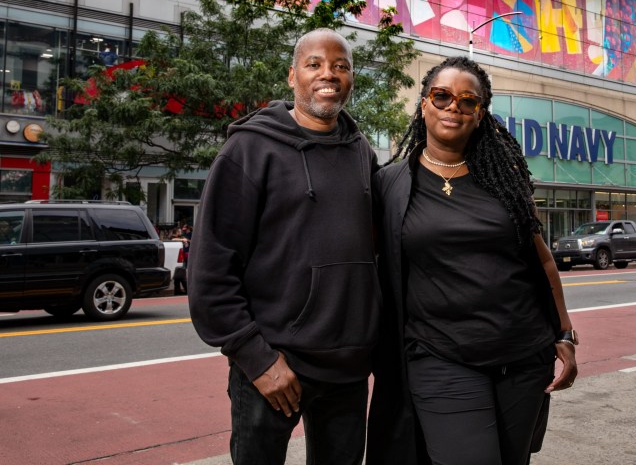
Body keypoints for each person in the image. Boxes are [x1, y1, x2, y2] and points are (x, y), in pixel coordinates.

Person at [367, 56, 578, 465]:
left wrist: (565, 334)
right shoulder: (390, 184)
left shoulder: (503, 179)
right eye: (442, 96)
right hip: (439, 355)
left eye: (468, 101)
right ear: (424, 103)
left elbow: (543, 262)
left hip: (522, 356)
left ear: (480, 114)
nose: (453, 107)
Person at [188, 28, 380, 465]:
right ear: (292, 76)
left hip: (347, 369)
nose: (328, 74)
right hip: (274, 367)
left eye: (341, 66)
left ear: (351, 78)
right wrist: (255, 359)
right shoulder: (248, 150)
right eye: (314, 64)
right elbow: (211, 269)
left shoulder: (361, 152)